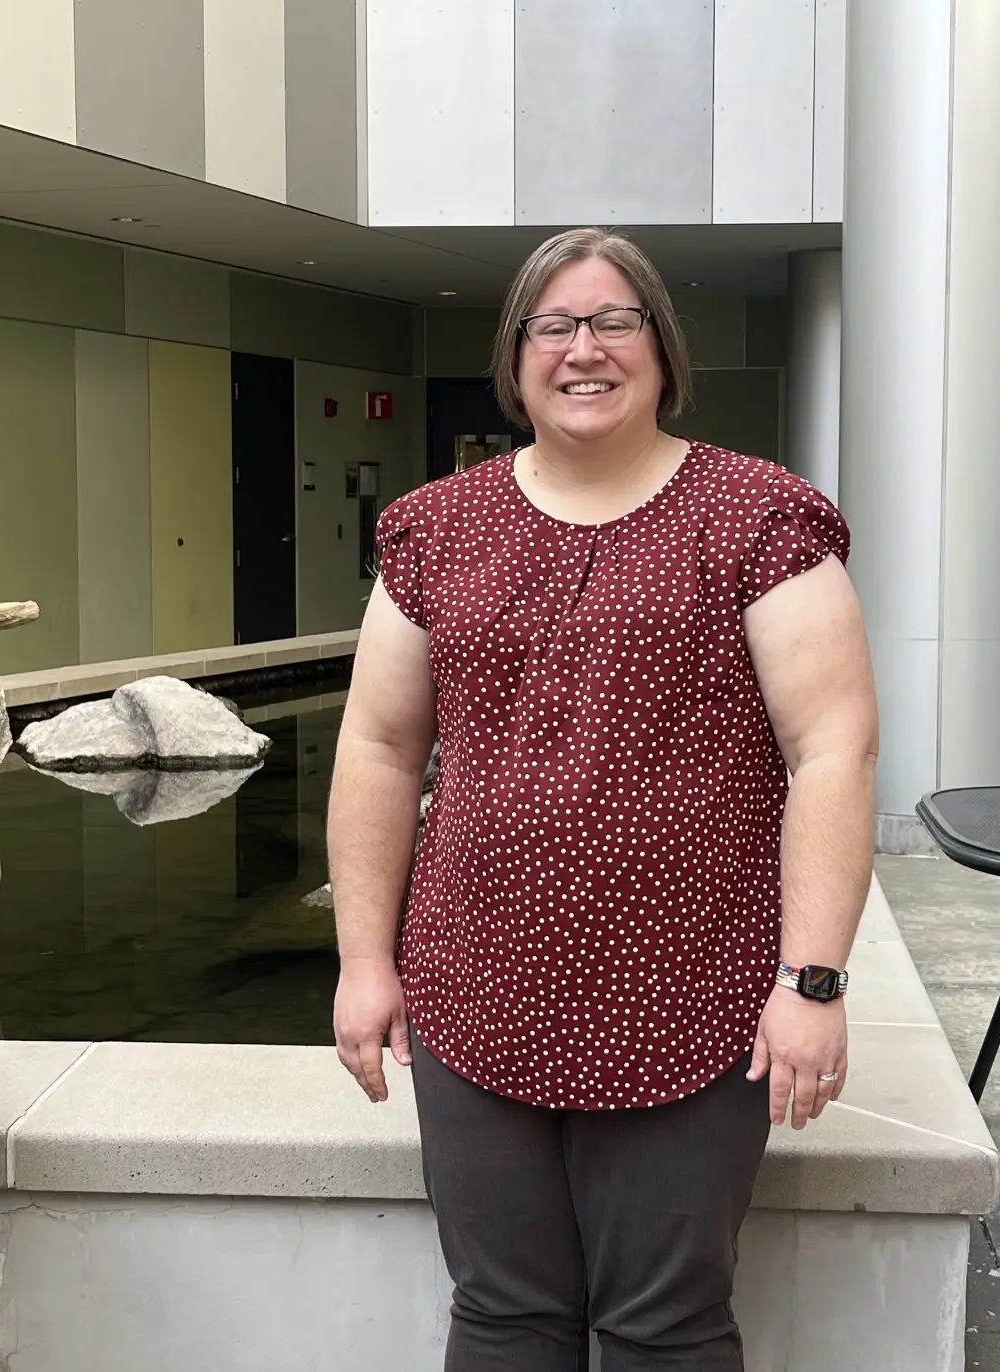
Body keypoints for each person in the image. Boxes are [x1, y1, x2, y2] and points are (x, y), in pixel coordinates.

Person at [326, 227, 879, 1371]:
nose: (584, 348)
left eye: (614, 320)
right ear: (517, 355)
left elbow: (832, 749)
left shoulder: (759, 519)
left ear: (660, 351)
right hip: (477, 985)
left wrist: (811, 979)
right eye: (554, 324)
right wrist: (363, 961)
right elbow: (379, 750)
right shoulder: (433, 528)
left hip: (695, 989)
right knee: (502, 1316)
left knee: (662, 1327)